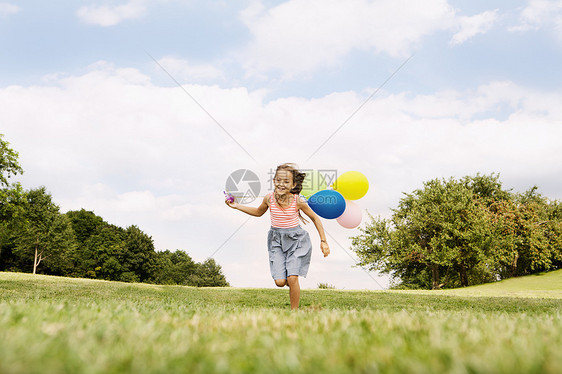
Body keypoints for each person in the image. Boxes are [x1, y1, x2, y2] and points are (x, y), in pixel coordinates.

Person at [225, 163, 330, 310]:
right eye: (278, 180)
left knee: (292, 278)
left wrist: (323, 241)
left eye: (286, 182)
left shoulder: (298, 201)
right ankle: (290, 279)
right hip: (276, 241)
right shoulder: (269, 199)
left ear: (293, 185)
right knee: (280, 282)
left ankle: (294, 312)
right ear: (273, 180)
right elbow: (258, 212)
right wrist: (237, 206)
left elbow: (315, 218)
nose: (281, 184)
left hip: (297, 241)